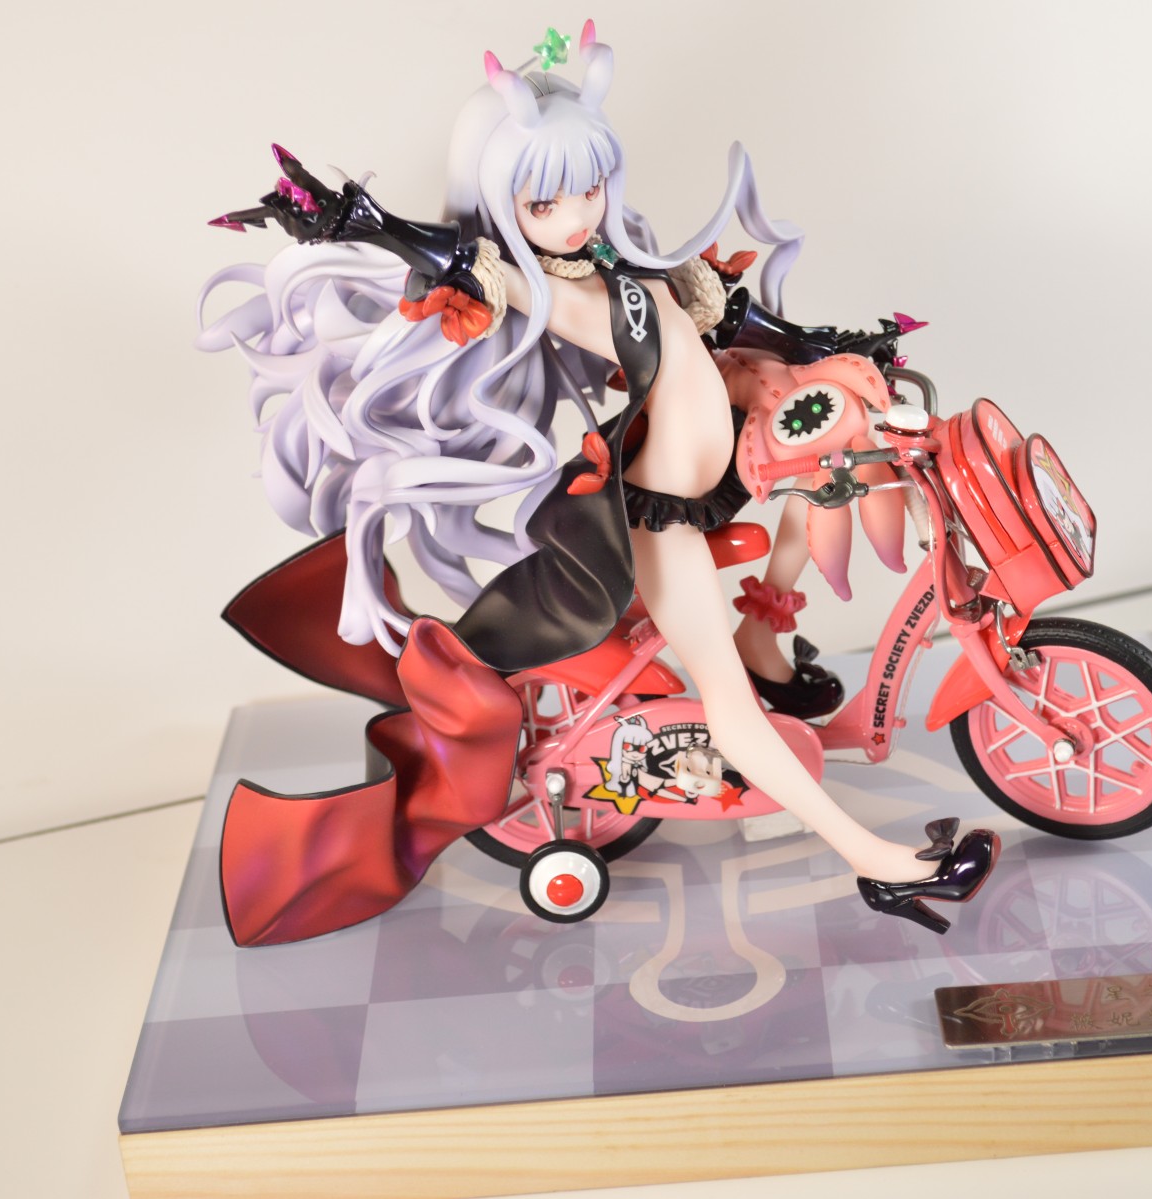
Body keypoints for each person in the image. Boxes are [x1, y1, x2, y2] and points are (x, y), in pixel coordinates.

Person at [198, 21, 995, 947]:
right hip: (656, 524)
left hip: (715, 478)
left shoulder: (624, 267)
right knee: (729, 710)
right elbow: (457, 262)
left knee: (820, 484)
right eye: (545, 201)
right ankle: (880, 864)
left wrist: (842, 347)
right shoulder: (540, 288)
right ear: (504, 205)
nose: (576, 215)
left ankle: (764, 641)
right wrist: (360, 223)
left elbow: (742, 324)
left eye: (590, 187)